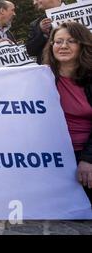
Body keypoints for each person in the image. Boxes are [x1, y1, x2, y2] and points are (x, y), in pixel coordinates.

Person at [42, 21, 92, 203]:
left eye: (71, 41)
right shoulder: (40, 77)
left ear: (82, 45)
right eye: (58, 41)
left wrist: (88, 160)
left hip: (85, 156)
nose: (63, 46)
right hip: (53, 157)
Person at [27, 0, 62, 64]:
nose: (34, 3)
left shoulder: (79, 11)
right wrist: (42, 33)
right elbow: (30, 51)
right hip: (51, 69)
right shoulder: (35, 24)